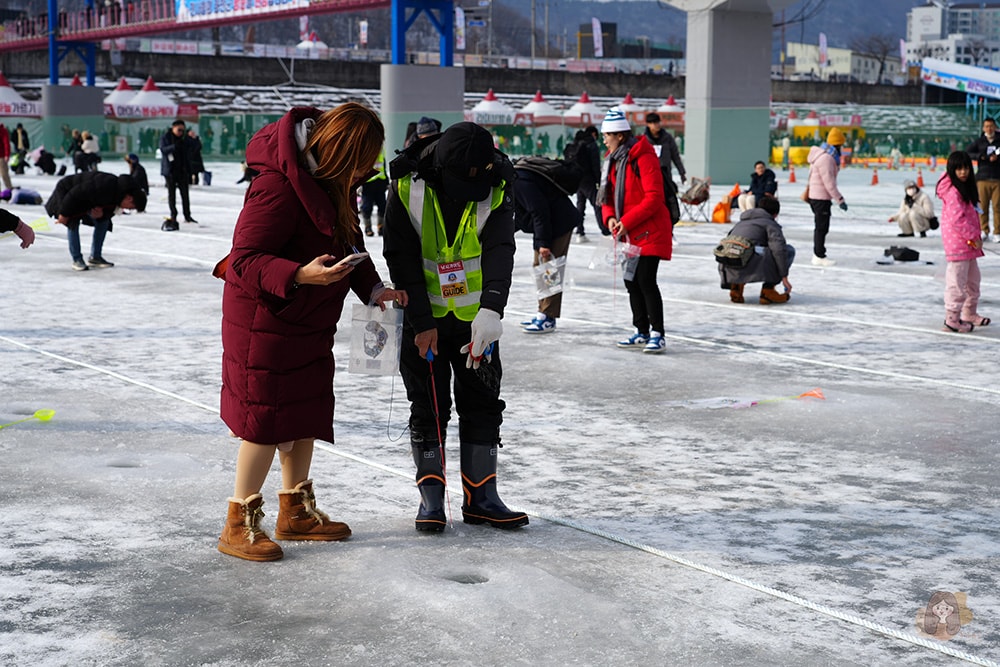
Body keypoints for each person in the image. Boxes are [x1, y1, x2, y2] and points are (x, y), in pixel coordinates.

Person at [217, 103, 408, 562]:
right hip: (267, 322)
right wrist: (300, 274)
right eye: (363, 160)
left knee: (305, 412)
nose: (367, 171)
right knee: (263, 421)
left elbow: (349, 244)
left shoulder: (334, 185)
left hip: (309, 322)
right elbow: (243, 260)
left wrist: (375, 288)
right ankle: (238, 521)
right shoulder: (278, 187)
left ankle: (296, 510)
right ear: (342, 152)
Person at [383, 121, 528, 533]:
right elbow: (401, 254)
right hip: (424, 320)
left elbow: (501, 248)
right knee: (428, 405)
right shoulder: (406, 183)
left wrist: (492, 310)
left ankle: (482, 497)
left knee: (483, 403)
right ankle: (432, 499)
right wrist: (421, 322)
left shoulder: (498, 182)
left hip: (475, 324)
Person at [599, 107, 673, 354]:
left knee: (645, 279)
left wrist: (626, 221)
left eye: (607, 135)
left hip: (650, 230)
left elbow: (654, 198)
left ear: (620, 135)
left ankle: (657, 333)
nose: (604, 139)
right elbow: (607, 196)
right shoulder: (612, 161)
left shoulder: (643, 156)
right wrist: (610, 218)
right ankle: (640, 330)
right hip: (627, 232)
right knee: (631, 281)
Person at [512, 162, 582, 333]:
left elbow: (539, 211)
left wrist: (543, 243)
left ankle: (548, 316)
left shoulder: (519, 182)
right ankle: (542, 312)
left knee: (549, 270)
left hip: (558, 224)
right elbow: (523, 215)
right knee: (540, 268)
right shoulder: (513, 183)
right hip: (548, 225)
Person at [44, 171, 147, 271]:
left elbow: (108, 212)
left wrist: (101, 214)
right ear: (129, 198)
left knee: (104, 222)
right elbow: (74, 194)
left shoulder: (120, 194)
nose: (127, 209)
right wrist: (63, 213)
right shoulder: (105, 185)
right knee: (72, 221)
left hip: (84, 198)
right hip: (68, 191)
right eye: (131, 207)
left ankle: (95, 257)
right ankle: (77, 259)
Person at [936, 151, 990, 332]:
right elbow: (957, 220)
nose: (963, 172)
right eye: (958, 168)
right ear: (951, 170)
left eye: (966, 167)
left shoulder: (965, 188)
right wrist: (973, 237)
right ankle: (952, 318)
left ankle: (969, 313)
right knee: (957, 283)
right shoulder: (953, 192)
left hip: (968, 245)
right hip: (959, 245)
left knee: (973, 281)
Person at [718, 197, 794, 305]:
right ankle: (768, 290)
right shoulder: (770, 224)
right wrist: (784, 276)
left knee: (744, 250)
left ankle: (736, 287)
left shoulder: (741, 222)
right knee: (788, 250)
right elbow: (779, 250)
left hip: (728, 265)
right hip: (747, 261)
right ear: (775, 214)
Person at [806, 126, 848, 267]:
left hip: (817, 196)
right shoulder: (827, 159)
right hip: (820, 197)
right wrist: (840, 199)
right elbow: (829, 182)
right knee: (821, 227)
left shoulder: (822, 155)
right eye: (841, 145)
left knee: (821, 226)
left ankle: (819, 253)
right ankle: (819, 255)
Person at [643, 111, 686, 227]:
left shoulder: (667, 138)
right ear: (648, 124)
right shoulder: (644, 140)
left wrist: (682, 172)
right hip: (649, 176)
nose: (656, 125)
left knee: (668, 203)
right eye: (653, 123)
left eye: (657, 122)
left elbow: (675, 156)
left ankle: (669, 229)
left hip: (666, 175)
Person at [964, 116, 1000, 242]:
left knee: (997, 206)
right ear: (983, 128)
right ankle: (984, 230)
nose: (989, 129)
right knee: (982, 206)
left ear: (995, 127)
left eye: (991, 126)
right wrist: (982, 156)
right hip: (982, 178)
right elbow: (967, 153)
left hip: (997, 178)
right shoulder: (979, 142)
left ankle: (997, 232)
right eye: (987, 126)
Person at [566, 126, 603, 241]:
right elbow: (595, 164)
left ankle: (579, 232)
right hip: (588, 179)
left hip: (577, 178)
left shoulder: (576, 143)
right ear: (593, 134)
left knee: (580, 205)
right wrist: (599, 180)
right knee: (597, 204)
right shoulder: (591, 145)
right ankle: (605, 230)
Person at [159, 119, 197, 230]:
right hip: (170, 171)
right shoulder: (166, 137)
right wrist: (175, 146)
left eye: (183, 130)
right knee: (172, 195)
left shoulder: (185, 139)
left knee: (185, 194)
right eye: (179, 130)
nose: (181, 132)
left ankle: (187, 215)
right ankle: (173, 215)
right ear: (173, 128)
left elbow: (195, 148)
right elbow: (163, 150)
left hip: (182, 170)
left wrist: (193, 138)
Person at [359, 149, 387, 237]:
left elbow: (384, 167)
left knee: (382, 206)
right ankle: (368, 227)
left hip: (380, 183)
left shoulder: (381, 151)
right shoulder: (364, 151)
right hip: (368, 184)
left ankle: (381, 227)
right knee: (367, 207)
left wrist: (386, 181)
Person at [0, 124, 12, 190]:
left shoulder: (3, 130)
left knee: (4, 174)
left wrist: (7, 154)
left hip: (1, 156)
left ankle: (9, 189)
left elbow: (6, 143)